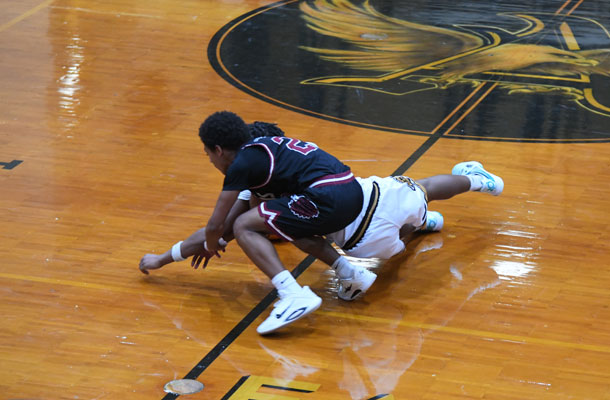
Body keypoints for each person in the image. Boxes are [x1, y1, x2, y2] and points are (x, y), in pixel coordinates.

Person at [139, 111, 504, 335]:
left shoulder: (250, 174)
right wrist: (192, 247)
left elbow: (217, 229)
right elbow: (217, 232)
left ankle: (310, 286)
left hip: (360, 241)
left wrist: (168, 256)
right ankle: (473, 184)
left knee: (261, 228)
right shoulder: (282, 164)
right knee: (424, 189)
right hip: (371, 198)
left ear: (220, 150)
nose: (209, 160)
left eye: (208, 154)